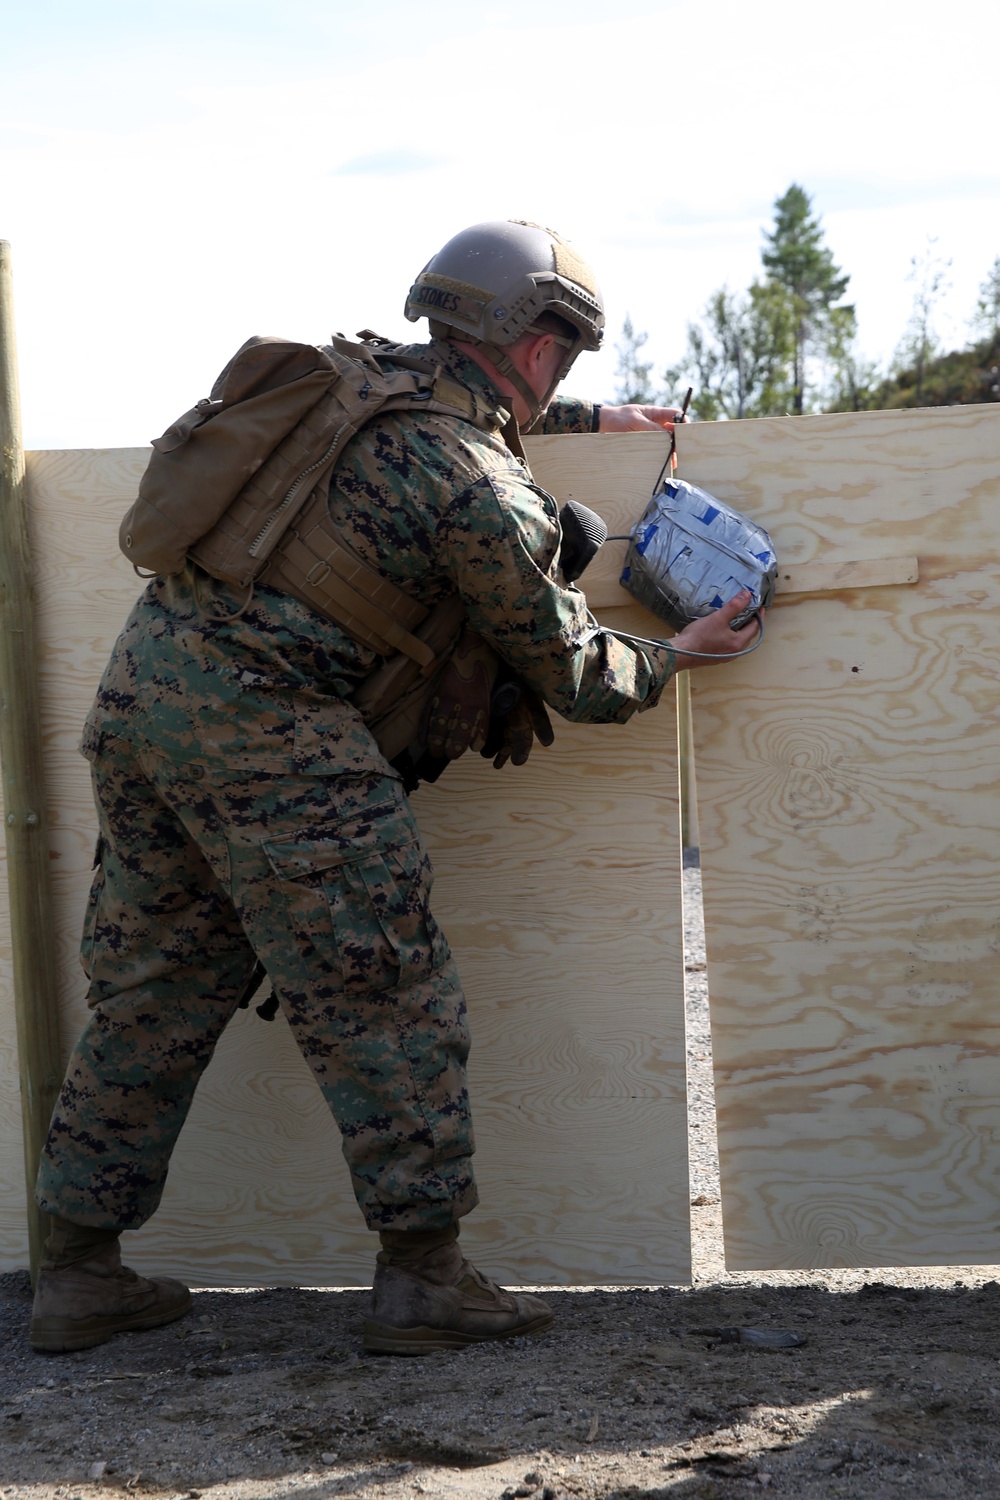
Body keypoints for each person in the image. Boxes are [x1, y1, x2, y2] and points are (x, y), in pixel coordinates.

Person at [29, 220, 761, 1356]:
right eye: (562, 357)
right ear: (530, 341)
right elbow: (574, 674)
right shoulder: (476, 485)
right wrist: (684, 650)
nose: (561, 375)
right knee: (385, 993)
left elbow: (439, 409)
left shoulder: (357, 378)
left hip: (143, 707)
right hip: (269, 734)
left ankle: (75, 1270)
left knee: (154, 995)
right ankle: (424, 1277)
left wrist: (589, 424)